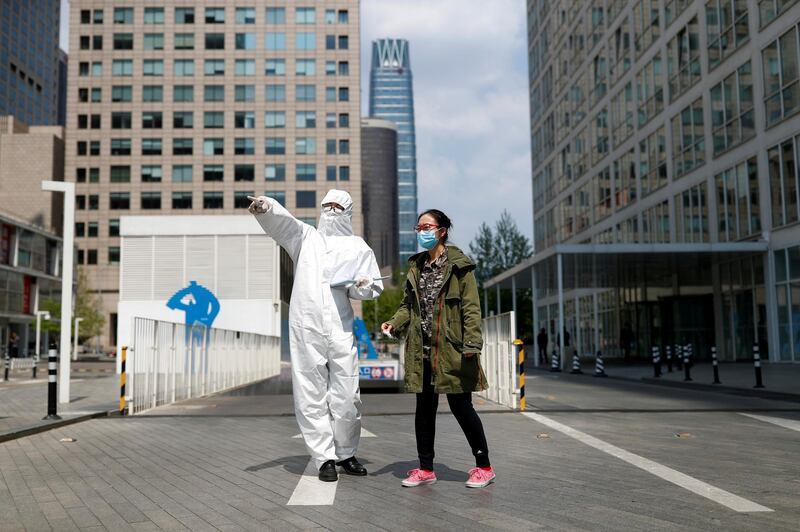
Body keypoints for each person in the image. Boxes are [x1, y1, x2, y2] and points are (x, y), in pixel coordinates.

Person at [248, 190, 383, 482]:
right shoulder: (306, 238)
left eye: (338, 206)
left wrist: (363, 285)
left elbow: (369, 288)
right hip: (306, 322)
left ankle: (346, 452)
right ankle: (324, 458)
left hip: (340, 324)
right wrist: (267, 207)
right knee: (310, 389)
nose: (331, 211)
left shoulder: (358, 247)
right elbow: (285, 224)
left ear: (347, 212)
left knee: (347, 393)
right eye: (327, 206)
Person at [382, 209, 495, 489]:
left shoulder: (459, 266)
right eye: (418, 227)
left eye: (427, 226)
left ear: (442, 230)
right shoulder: (416, 267)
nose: (422, 231)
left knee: (461, 406)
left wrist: (472, 344)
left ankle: (484, 466)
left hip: (452, 348)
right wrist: (394, 324)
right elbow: (408, 307)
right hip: (422, 349)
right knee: (424, 409)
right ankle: (425, 468)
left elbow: (471, 308)